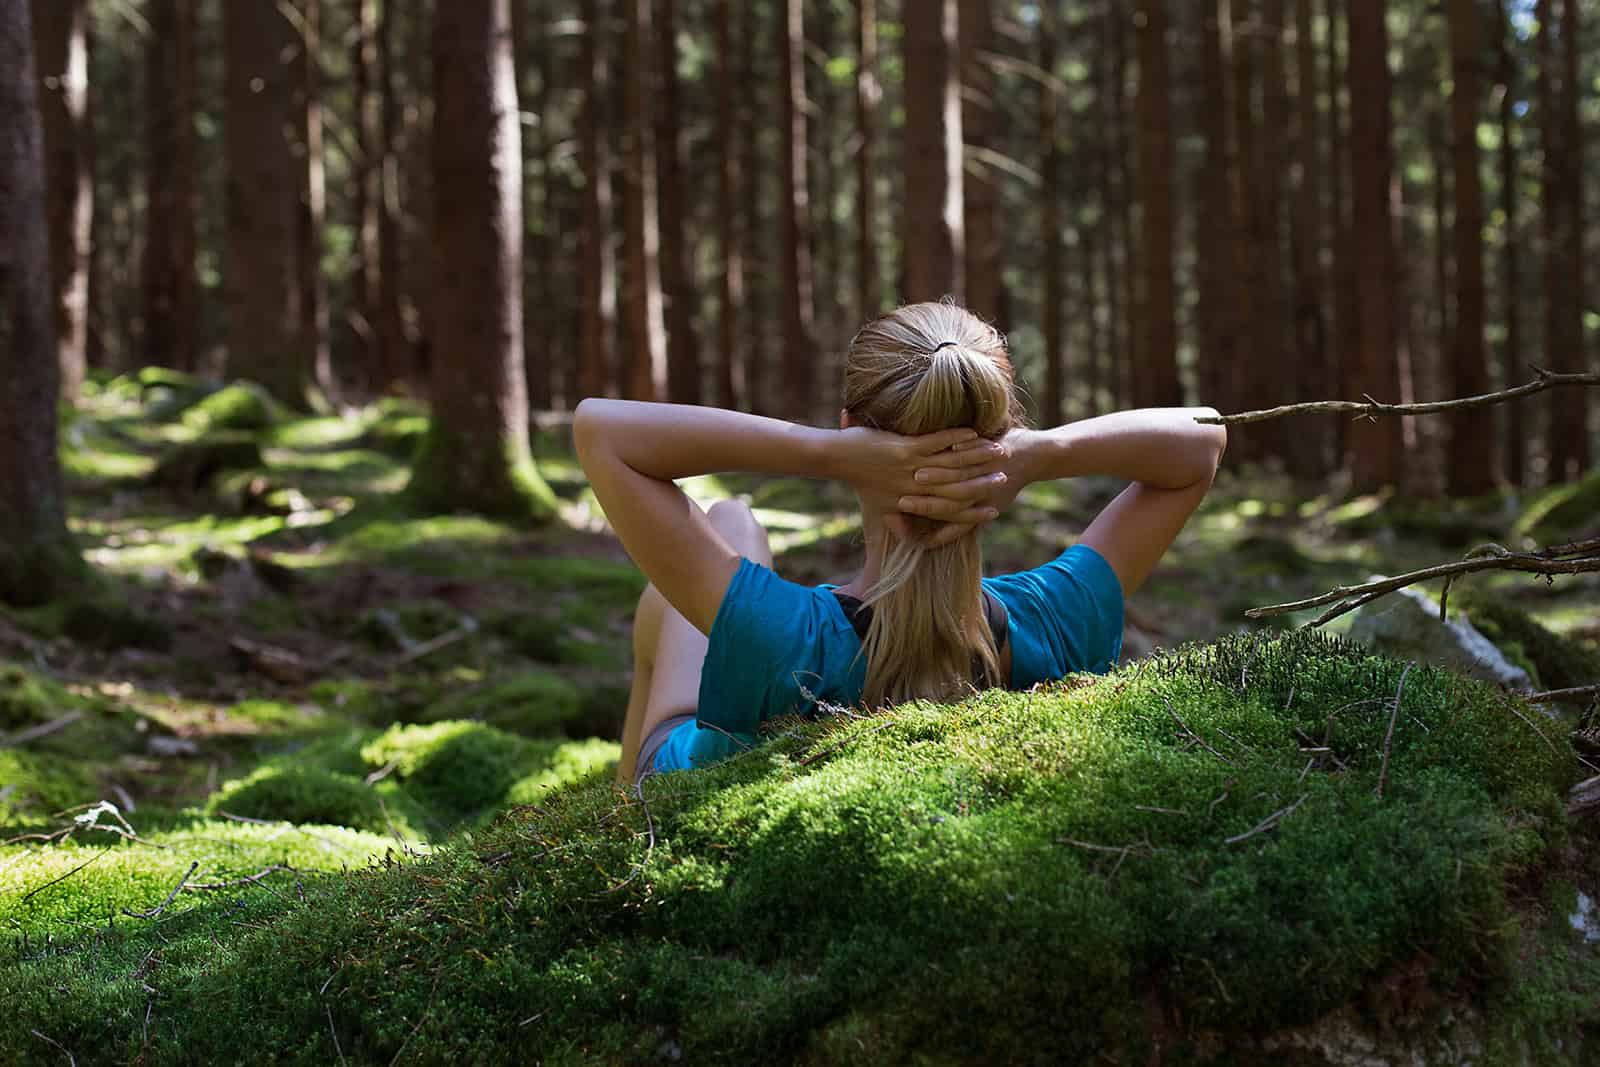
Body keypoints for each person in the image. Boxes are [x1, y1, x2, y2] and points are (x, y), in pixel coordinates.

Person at [574, 302, 1227, 785]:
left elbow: (602, 431)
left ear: (853, 431)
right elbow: (1204, 438)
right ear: (1002, 434)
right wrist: (1034, 456)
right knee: (734, 521)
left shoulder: (783, 639)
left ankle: (625, 804)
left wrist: (826, 453)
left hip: (678, 774)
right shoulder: (1054, 621)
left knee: (730, 522)